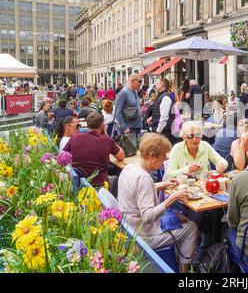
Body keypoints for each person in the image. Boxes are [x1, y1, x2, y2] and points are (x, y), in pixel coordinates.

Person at [117, 133, 198, 272]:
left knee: (183, 219)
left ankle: (177, 260)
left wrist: (162, 184)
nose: (165, 159)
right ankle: (183, 270)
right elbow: (147, 216)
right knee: (191, 227)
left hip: (129, 229)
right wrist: (172, 198)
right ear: (152, 155)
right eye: (163, 156)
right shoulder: (143, 177)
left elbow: (138, 192)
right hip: (143, 236)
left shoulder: (130, 168)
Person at [64, 112, 125, 186]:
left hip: (79, 184)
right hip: (100, 185)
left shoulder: (74, 138)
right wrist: (106, 134)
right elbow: (121, 156)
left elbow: (64, 156)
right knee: (118, 174)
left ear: (87, 124)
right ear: (102, 124)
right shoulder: (106, 140)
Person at [150, 78, 176, 144]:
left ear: (162, 85)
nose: (156, 85)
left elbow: (164, 117)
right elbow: (161, 111)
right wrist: (152, 118)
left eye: (158, 83)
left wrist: (158, 131)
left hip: (165, 131)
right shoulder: (162, 96)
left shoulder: (165, 97)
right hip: (163, 130)